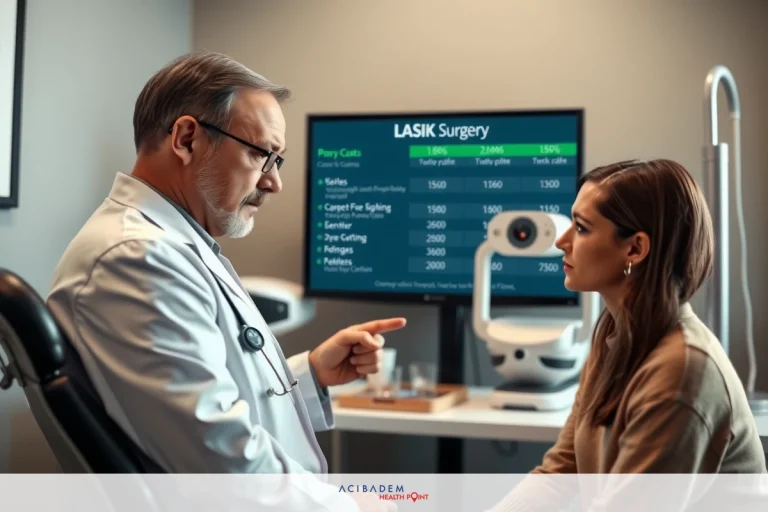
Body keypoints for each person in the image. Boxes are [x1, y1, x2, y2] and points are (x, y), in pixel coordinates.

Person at [46, 52, 406, 477]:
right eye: (262, 156)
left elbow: (204, 407)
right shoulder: (136, 259)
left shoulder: (166, 246)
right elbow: (222, 461)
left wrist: (308, 375)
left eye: (278, 161)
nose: (274, 183)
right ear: (186, 139)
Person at [490, 159, 766, 510]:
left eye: (581, 227)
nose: (562, 241)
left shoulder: (682, 371)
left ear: (635, 248)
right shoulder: (614, 337)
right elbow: (561, 473)